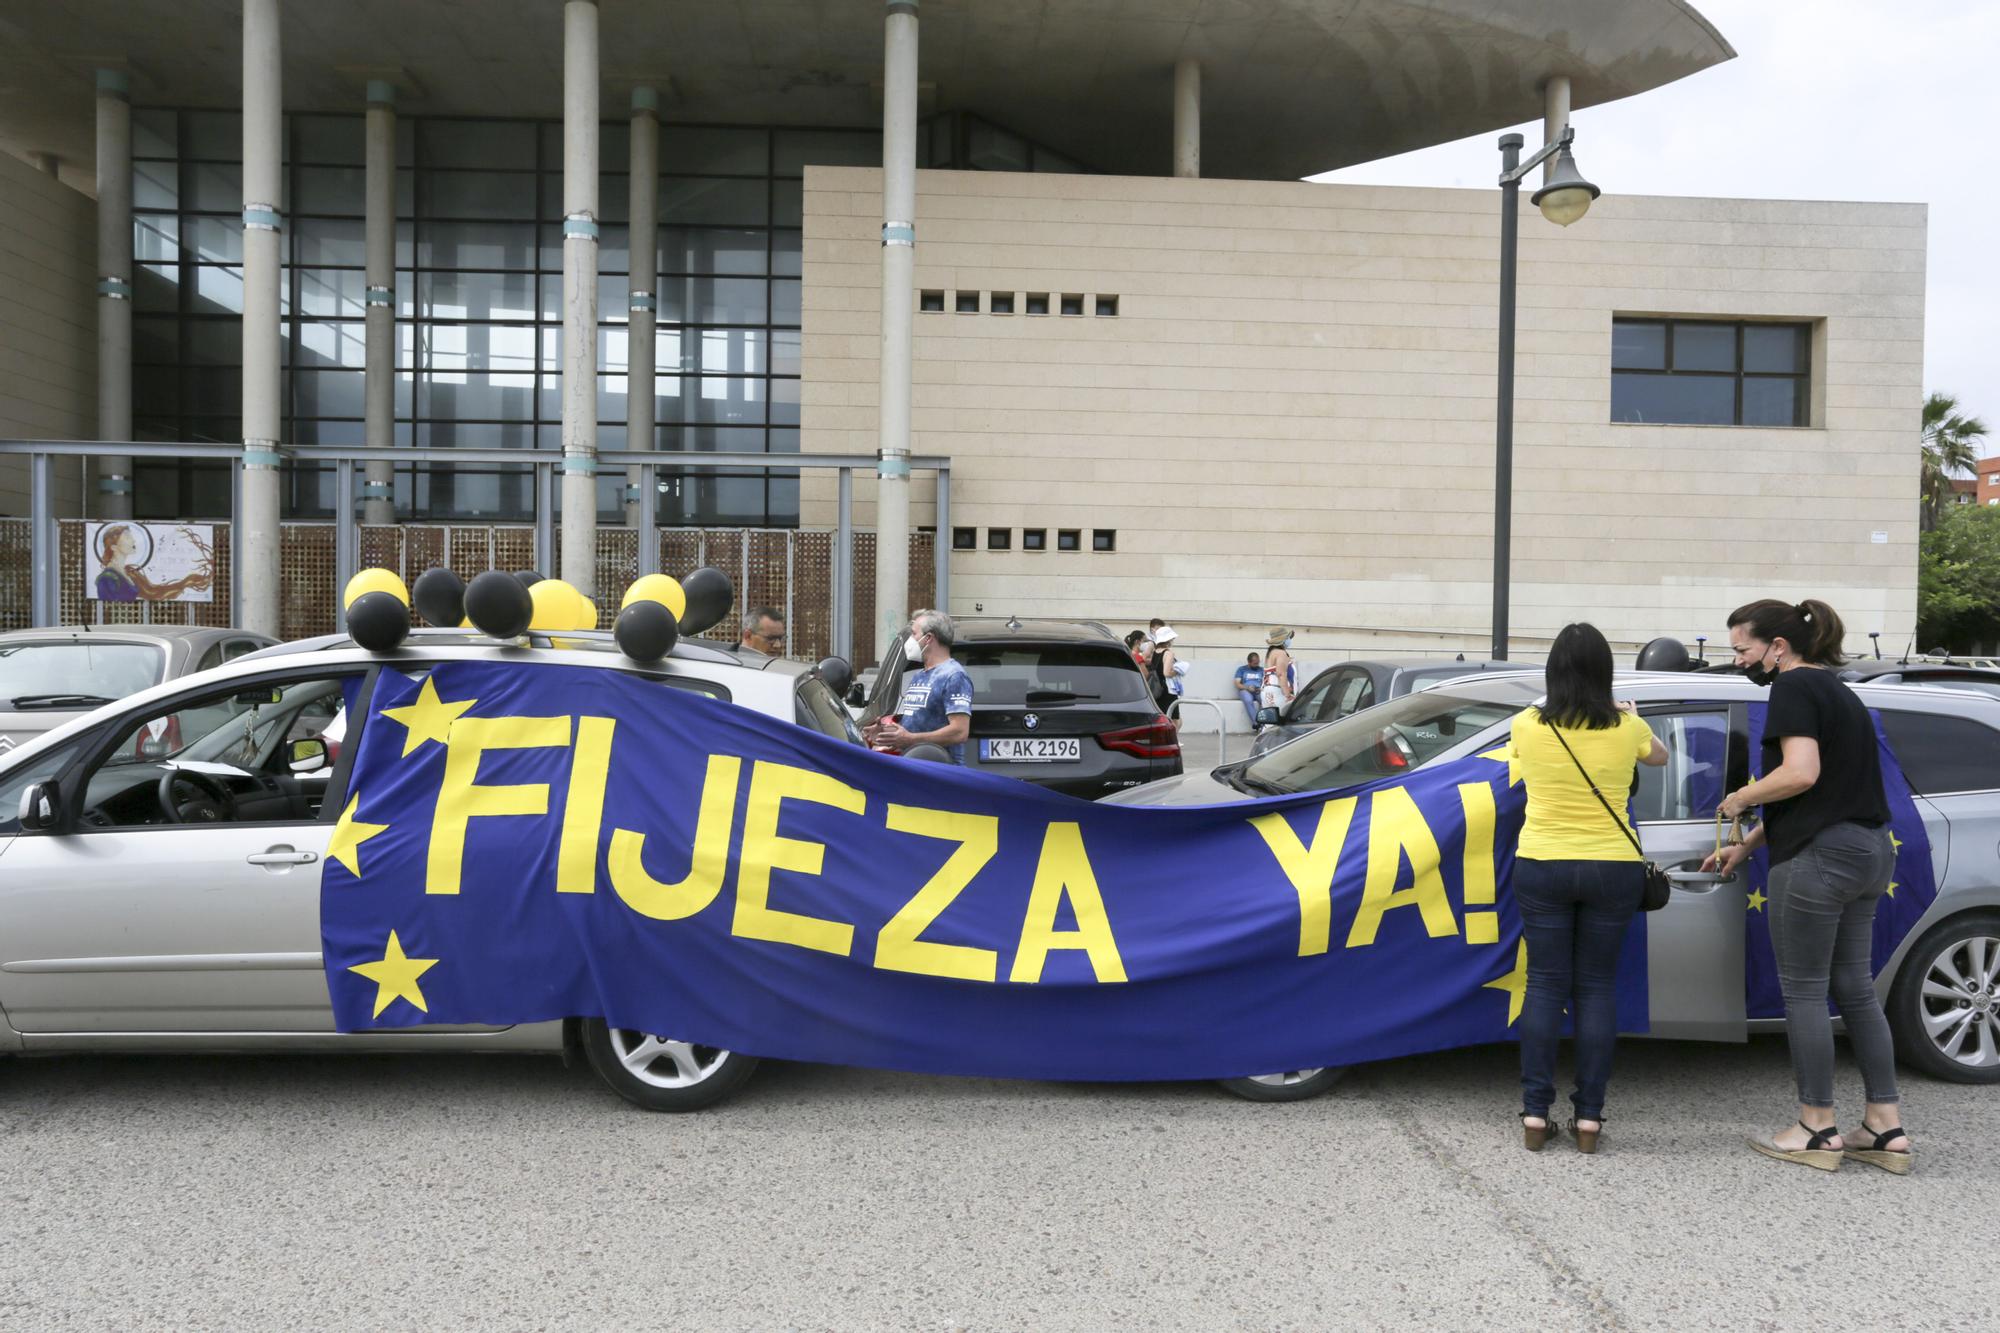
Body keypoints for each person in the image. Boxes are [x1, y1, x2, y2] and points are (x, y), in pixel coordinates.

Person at [1706, 599, 1911, 1173]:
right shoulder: (1840, 691)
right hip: (1868, 852)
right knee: (1855, 989)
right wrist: (1747, 844)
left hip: (1820, 860)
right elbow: (1827, 792)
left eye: (1743, 649)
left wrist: (1741, 799)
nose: (1739, 660)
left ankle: (1816, 1129)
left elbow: (1801, 774)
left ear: (1778, 646)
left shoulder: (1792, 688)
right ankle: (1884, 1126)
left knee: (1803, 991)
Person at [1508, 622, 1668, 1153]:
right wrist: (1635, 717)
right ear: (1605, 672)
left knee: (1545, 985)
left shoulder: (1527, 725)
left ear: (1554, 670)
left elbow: (1516, 772)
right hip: (1611, 866)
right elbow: (1660, 758)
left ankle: (1535, 1114)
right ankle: (1590, 1121)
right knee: (1596, 987)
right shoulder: (1626, 727)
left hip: (1543, 862)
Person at [863, 609, 974, 764]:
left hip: (941, 772)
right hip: (916, 766)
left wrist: (910, 739)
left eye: (914, 634)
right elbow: (916, 724)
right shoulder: (920, 675)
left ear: (928, 638)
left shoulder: (953, 676)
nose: (910, 640)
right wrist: (885, 734)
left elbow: (960, 732)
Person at [93, 524, 212, 603]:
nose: (134, 540)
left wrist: (186, 582)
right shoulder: (106, 579)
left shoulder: (128, 572)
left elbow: (154, 592)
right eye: (127, 538)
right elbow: (107, 608)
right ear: (114, 547)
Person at [1260, 627, 1297, 712]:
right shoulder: (1281, 653)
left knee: (1270, 722)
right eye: (1288, 638)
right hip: (1277, 691)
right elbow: (1281, 674)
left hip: (1267, 690)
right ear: (1283, 640)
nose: (1289, 640)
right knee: (1282, 720)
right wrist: (1287, 695)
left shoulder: (1270, 653)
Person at [1234, 652, 1263, 725]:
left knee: (1265, 700)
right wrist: (1247, 687)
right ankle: (1256, 723)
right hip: (1246, 690)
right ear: (1249, 662)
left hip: (1258, 690)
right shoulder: (1241, 669)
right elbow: (1237, 683)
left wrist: (1262, 688)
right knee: (1248, 700)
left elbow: (1266, 681)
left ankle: (1266, 723)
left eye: (1258, 663)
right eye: (1254, 663)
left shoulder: (1262, 670)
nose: (1257, 665)